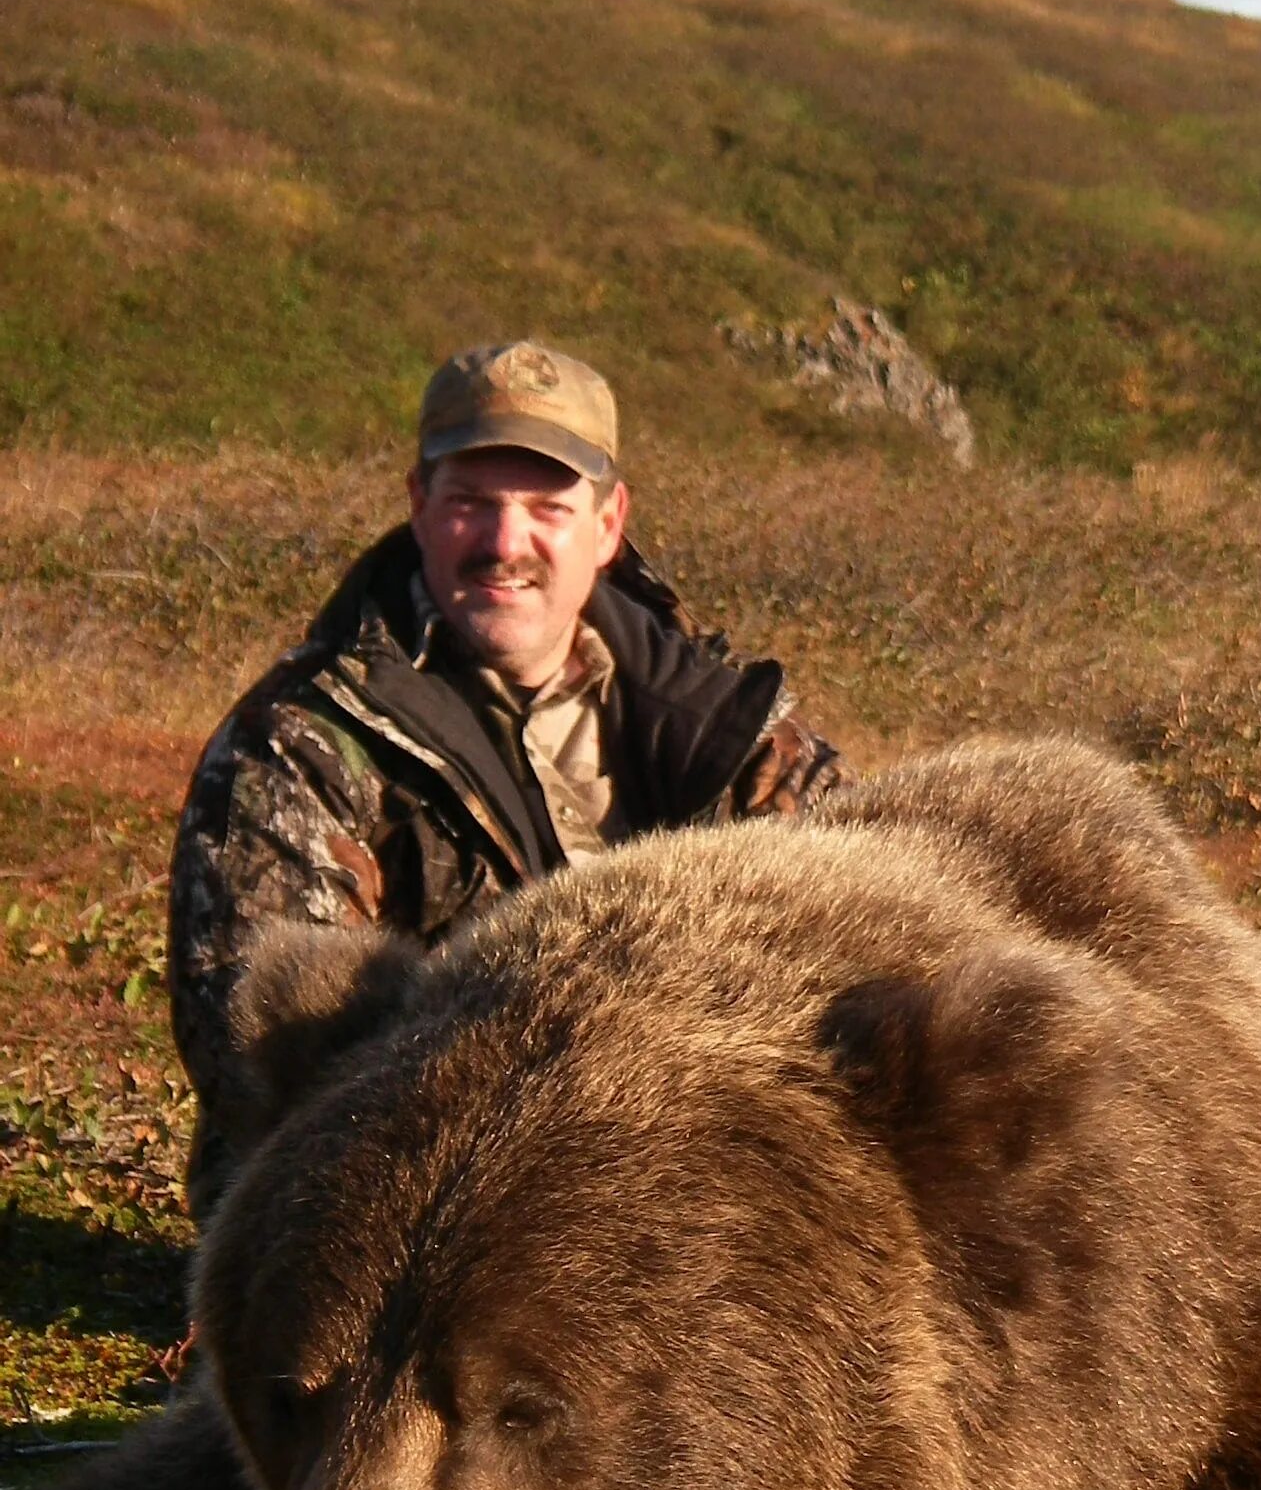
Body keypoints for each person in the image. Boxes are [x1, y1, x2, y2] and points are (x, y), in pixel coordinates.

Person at [168, 340, 839, 1211]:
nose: (503, 542)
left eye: (546, 508)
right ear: (418, 505)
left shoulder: (726, 726)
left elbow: (869, 946)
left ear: (608, 524)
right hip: (401, 1197)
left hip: (691, 1198)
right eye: (470, 504)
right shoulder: (302, 741)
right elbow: (256, 1051)